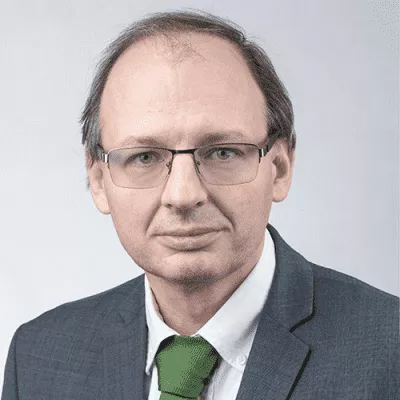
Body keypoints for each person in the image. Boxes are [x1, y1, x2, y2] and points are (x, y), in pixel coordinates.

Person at [1, 10, 398, 400]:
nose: (182, 195)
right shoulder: (38, 358)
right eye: (144, 157)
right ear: (99, 180)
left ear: (279, 168)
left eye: (223, 152)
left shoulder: (388, 352)